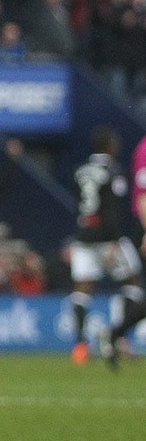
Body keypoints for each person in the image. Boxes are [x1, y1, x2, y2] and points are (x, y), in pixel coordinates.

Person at [68, 128, 145, 369]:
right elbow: (112, 208)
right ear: (109, 146)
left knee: (82, 289)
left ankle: (80, 346)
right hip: (108, 238)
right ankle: (120, 337)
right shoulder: (113, 171)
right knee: (132, 283)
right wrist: (113, 240)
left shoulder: (80, 171)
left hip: (83, 237)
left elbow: (81, 204)